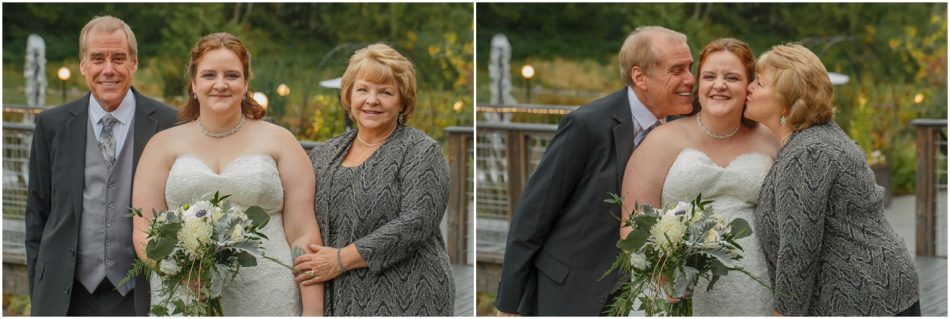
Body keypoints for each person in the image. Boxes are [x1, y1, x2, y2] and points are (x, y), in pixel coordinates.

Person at [493, 26, 695, 316]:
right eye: (677, 70)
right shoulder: (586, 126)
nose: (691, 78)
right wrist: (508, 305)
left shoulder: (684, 125)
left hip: (643, 297)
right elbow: (533, 215)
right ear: (640, 77)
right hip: (570, 291)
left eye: (690, 67)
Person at [130, 32, 324, 316]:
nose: (220, 84)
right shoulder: (162, 145)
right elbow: (144, 230)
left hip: (270, 296)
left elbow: (303, 234)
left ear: (245, 84)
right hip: (185, 296)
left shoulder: (281, 142)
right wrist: (179, 270)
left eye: (231, 75)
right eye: (209, 75)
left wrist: (313, 312)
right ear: (194, 84)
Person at [747, 43, 920, 316]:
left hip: (863, 301)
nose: (749, 88)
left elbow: (799, 249)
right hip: (884, 291)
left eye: (758, 82)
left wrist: (783, 313)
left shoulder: (808, 152)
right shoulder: (815, 138)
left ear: (786, 98)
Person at [24, 16, 178, 316]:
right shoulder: (51, 124)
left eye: (118, 58)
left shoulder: (168, 122)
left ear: (134, 63)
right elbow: (37, 216)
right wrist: (41, 290)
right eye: (98, 58)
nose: (108, 69)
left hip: (140, 294)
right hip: (68, 295)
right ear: (83, 65)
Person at [620, 38, 779, 315]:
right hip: (672, 287)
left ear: (749, 86)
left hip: (753, 286)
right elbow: (631, 221)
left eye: (732, 77)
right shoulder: (662, 139)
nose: (719, 85)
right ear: (698, 84)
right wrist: (662, 271)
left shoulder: (771, 140)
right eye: (709, 76)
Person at [294, 43, 455, 316]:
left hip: (410, 297)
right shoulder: (323, 153)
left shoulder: (421, 151)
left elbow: (417, 222)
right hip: (340, 299)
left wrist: (340, 259)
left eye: (385, 92)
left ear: (402, 100)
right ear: (348, 96)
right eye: (363, 89)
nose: (372, 100)